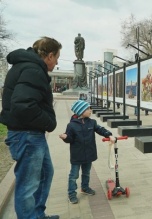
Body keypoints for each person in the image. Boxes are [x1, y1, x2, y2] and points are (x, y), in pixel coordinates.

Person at [0, 37, 62, 219]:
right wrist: (49, 122)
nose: (57, 62)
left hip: (29, 134)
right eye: (57, 57)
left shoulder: (29, 67)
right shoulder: (33, 69)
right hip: (27, 135)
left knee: (45, 173)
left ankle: (37, 215)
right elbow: (23, 105)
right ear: (49, 55)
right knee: (28, 185)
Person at [59, 100, 115, 204]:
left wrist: (109, 134)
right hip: (77, 155)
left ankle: (85, 188)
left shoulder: (92, 122)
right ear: (81, 111)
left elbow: (100, 129)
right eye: (88, 109)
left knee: (86, 173)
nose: (90, 110)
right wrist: (65, 137)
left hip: (89, 154)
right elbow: (69, 139)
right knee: (74, 175)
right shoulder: (71, 125)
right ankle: (71, 193)